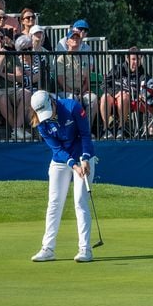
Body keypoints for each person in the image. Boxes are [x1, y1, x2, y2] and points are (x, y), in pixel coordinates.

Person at [29, 90, 97, 263]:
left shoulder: (72, 107)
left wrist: (86, 158)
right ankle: (48, 248)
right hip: (62, 160)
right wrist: (73, 165)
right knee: (54, 202)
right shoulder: (40, 122)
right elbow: (57, 149)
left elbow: (85, 134)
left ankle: (85, 249)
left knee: (80, 201)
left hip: (83, 156)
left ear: (52, 101)